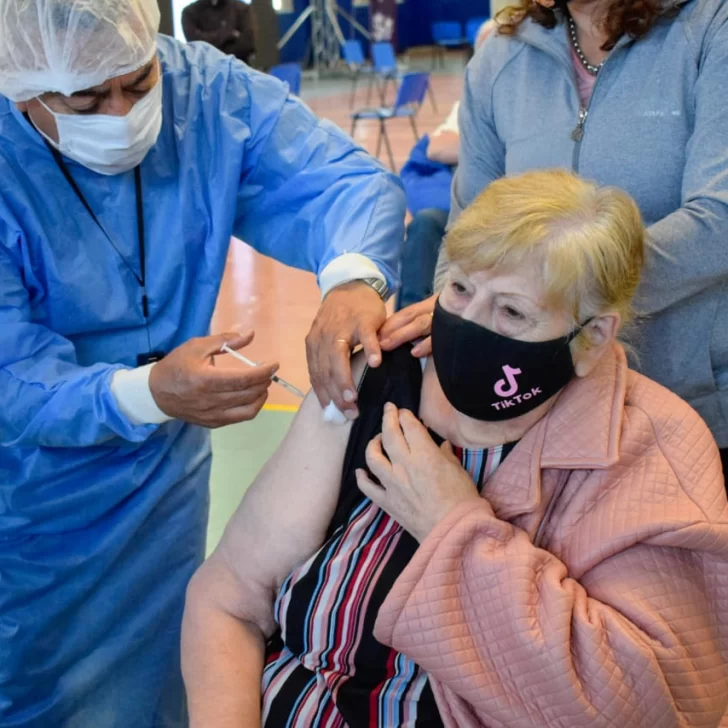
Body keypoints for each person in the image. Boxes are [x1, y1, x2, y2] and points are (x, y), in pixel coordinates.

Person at [182, 170, 728, 728]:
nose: (466, 327)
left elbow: (641, 708)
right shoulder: (379, 378)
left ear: (591, 339)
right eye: (461, 289)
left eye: (512, 312)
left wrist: (454, 525)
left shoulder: (651, 450)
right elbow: (230, 598)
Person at [0, 1, 405, 725]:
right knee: (37, 693)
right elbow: (11, 376)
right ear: (21, 87)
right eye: (88, 99)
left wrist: (353, 278)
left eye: (137, 80)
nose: (122, 112)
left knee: (159, 678)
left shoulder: (205, 96)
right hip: (29, 501)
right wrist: (145, 392)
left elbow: (344, 181)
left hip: (163, 480)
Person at [385, 0, 728, 480]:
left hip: (687, 405)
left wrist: (555, 300)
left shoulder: (711, 29)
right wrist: (458, 320)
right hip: (530, 420)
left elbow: (718, 220)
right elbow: (466, 235)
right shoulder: (501, 57)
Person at [397, 20, 496, 311]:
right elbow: (437, 147)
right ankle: (408, 328)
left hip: (510, 218)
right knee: (425, 224)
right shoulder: (467, 104)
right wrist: (486, 148)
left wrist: (468, 147)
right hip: (467, 210)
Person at [183, 0, 257, 66]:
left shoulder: (241, 8)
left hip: (239, 72)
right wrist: (229, 34)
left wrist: (211, 44)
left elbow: (248, 44)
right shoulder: (189, 13)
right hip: (206, 74)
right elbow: (195, 45)